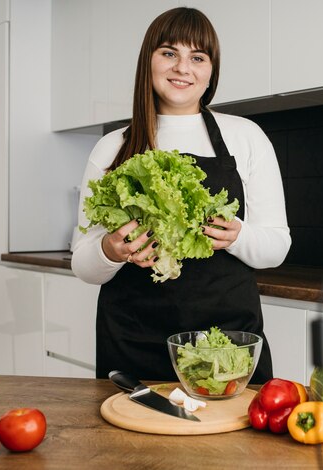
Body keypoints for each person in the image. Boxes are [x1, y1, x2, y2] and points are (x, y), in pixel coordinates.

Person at [71, 7, 291, 383]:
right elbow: (82, 262)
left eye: (198, 57)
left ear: (211, 71)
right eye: (169, 53)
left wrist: (239, 235)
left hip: (225, 345)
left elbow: (277, 246)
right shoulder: (112, 147)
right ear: (149, 61)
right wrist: (111, 250)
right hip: (132, 341)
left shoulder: (246, 137)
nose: (182, 68)